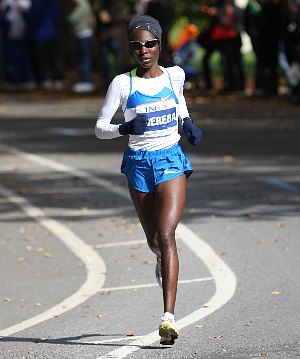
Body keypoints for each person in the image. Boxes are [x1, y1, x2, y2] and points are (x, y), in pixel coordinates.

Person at [95, 15, 202, 345]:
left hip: (170, 159)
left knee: (168, 234)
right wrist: (122, 129)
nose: (144, 50)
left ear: (160, 45)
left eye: (150, 43)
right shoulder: (122, 84)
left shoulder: (176, 75)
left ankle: (168, 318)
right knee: (155, 239)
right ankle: (158, 256)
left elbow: (179, 99)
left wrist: (187, 122)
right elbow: (99, 127)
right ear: (131, 49)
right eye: (137, 45)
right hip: (138, 165)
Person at [68, 0, 95, 93]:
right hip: (80, 34)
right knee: (81, 58)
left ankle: (87, 82)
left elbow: (73, 18)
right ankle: (84, 80)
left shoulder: (83, 5)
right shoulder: (80, 5)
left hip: (84, 34)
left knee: (84, 58)